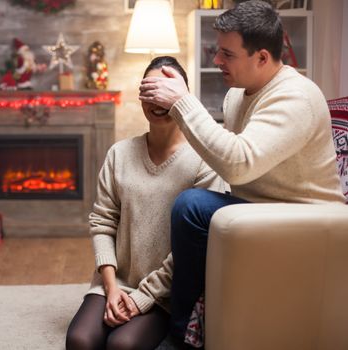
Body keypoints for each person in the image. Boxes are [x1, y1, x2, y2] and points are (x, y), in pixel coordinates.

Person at [138, 0, 345, 345]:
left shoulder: (296, 97)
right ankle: (175, 310)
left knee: (191, 206)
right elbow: (225, 154)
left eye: (227, 54)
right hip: (261, 210)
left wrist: (182, 101)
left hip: (309, 220)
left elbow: (237, 161)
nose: (216, 61)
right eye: (217, 51)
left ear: (262, 57)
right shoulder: (238, 96)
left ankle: (179, 337)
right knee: (190, 201)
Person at [65, 56, 226, 350]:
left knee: (122, 345)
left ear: (182, 96)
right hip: (116, 282)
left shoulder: (205, 160)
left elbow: (196, 245)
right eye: (149, 91)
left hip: (162, 294)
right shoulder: (119, 154)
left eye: (165, 90)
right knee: (79, 341)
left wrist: (141, 299)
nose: (157, 100)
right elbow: (102, 223)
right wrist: (111, 288)